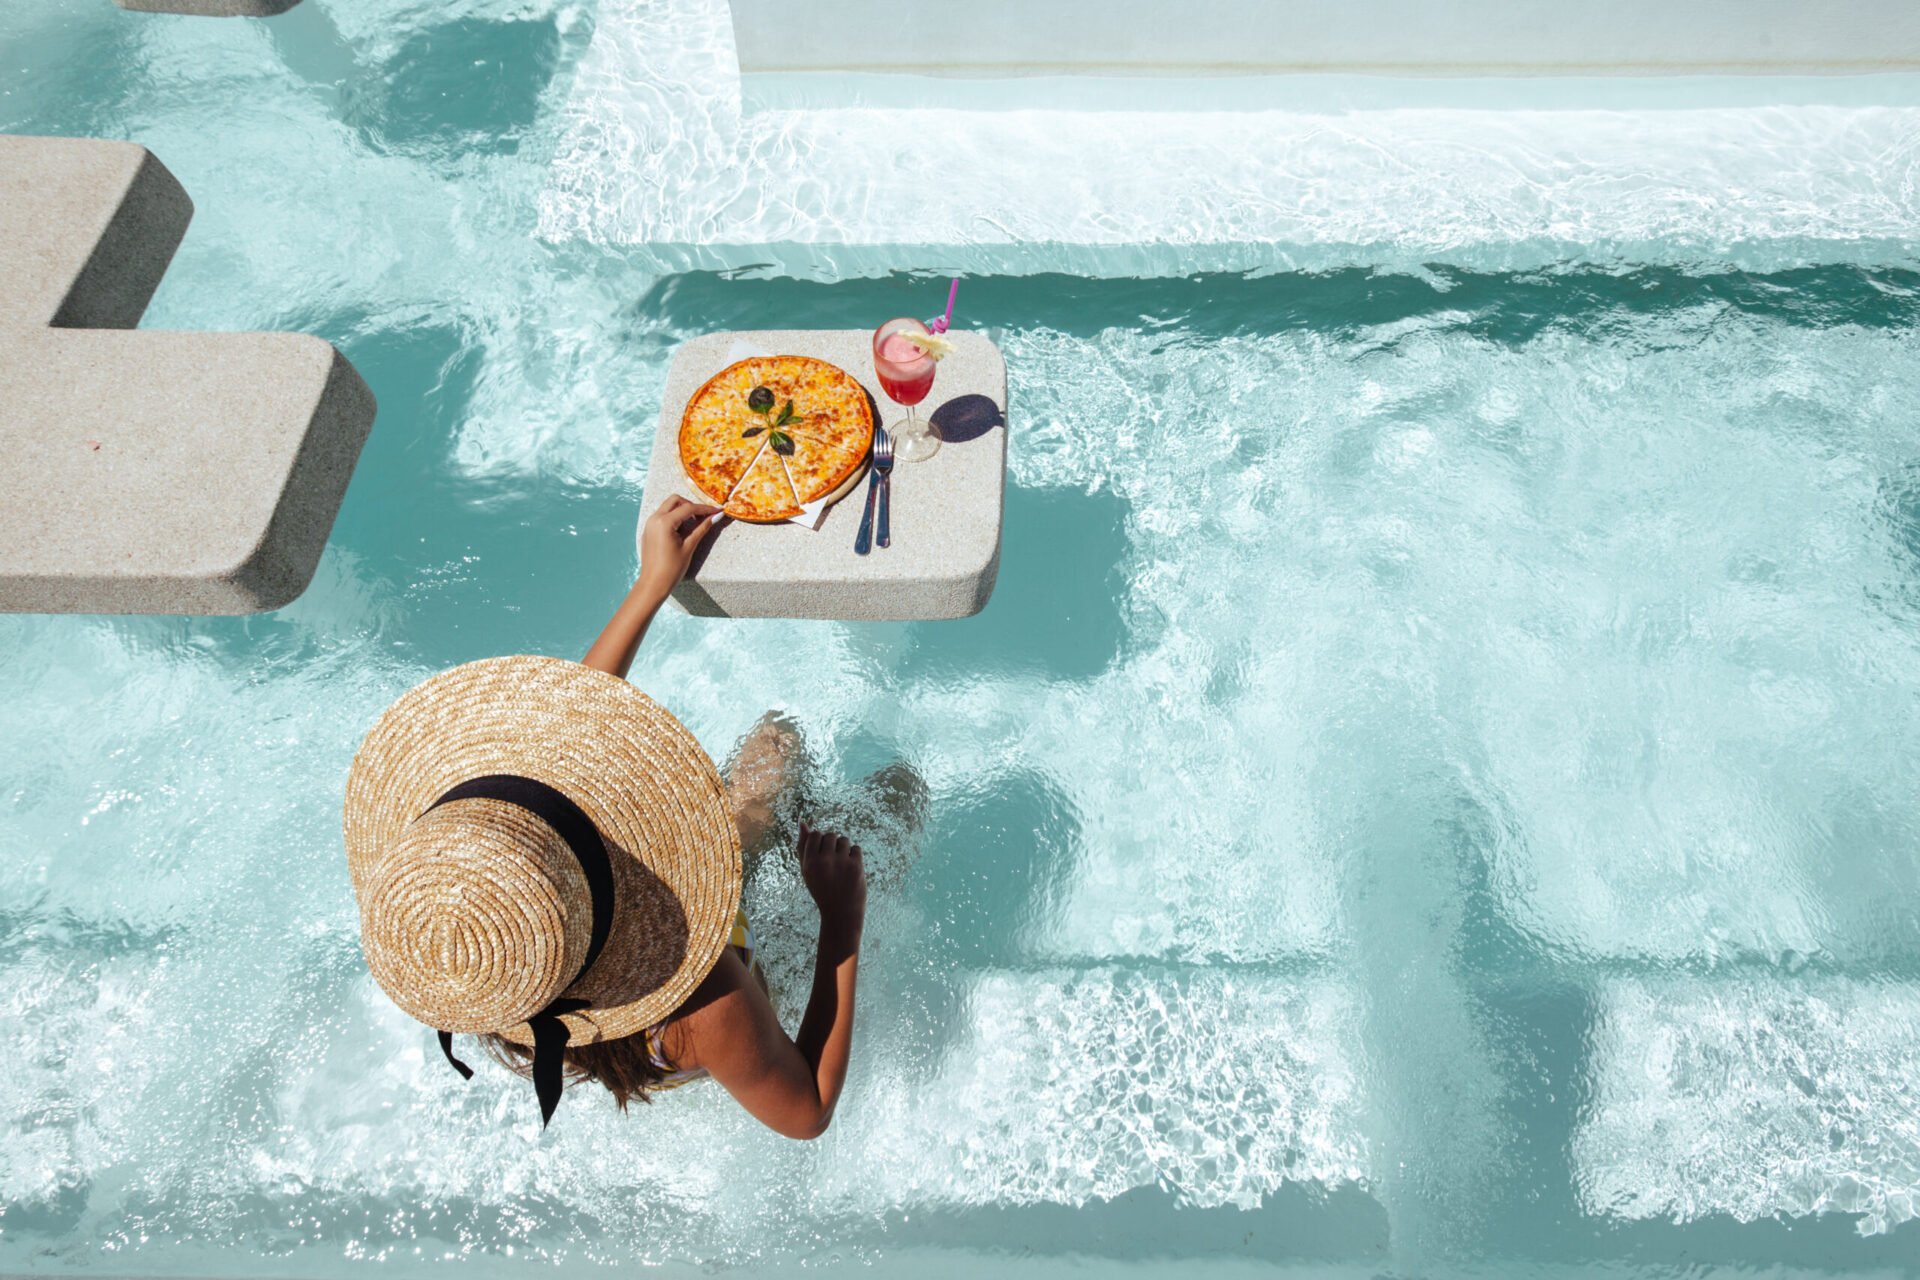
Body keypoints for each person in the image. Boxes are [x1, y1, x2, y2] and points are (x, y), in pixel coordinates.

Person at [343, 496, 866, 1139]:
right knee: (890, 804)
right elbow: (806, 1109)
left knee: (775, 744)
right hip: (692, 1020)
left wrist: (651, 584)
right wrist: (841, 920)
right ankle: (822, 897)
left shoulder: (473, 949)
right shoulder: (703, 1002)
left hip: (587, 971)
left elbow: (578, 726)